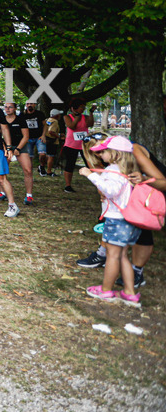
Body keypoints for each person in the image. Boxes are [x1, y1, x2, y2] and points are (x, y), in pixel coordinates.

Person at [80, 136, 142, 308]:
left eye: (104, 151)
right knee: (122, 256)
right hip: (128, 220)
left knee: (113, 256)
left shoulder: (114, 169)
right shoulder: (129, 169)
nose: (101, 155)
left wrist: (90, 175)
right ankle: (129, 292)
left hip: (117, 221)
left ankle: (106, 290)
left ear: (115, 153)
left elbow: (111, 191)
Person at [1, 102, 34, 205]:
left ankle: (29, 195)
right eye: (6, 107)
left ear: (15, 108)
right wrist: (5, 148)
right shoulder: (1, 120)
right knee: (2, 170)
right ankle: (3, 192)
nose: (7, 109)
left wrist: (18, 149)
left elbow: (26, 136)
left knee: (28, 170)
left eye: (10, 107)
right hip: (6, 147)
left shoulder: (21, 119)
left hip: (20, 146)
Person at [63, 98, 95, 193]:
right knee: (70, 164)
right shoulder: (67, 117)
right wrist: (76, 116)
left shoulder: (84, 117)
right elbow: (72, 126)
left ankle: (97, 183)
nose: (83, 109)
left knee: (90, 163)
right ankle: (68, 185)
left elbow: (90, 124)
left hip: (84, 145)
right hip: (71, 145)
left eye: (84, 107)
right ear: (74, 108)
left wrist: (91, 113)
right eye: (81, 107)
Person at [39, 108, 63, 177]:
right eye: (59, 114)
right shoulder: (55, 121)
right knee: (51, 156)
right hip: (52, 141)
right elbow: (51, 131)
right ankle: (49, 171)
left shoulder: (47, 120)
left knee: (45, 155)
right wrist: (59, 136)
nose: (60, 116)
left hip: (45, 139)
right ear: (56, 115)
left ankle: (41, 167)